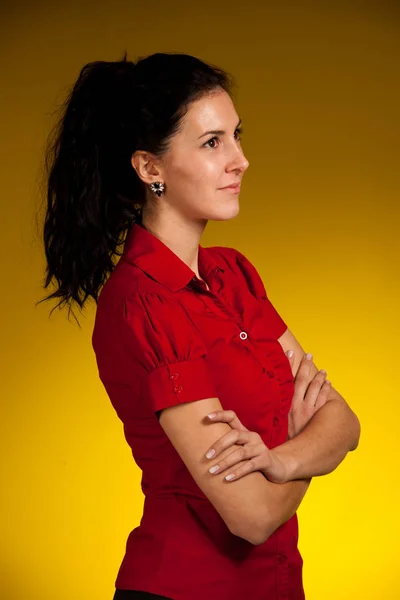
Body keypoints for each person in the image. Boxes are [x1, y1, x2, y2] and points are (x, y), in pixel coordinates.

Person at [39, 52, 361, 600]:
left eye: (236, 136)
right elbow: (253, 516)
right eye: (213, 143)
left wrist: (278, 460)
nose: (241, 160)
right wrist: (309, 451)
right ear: (150, 168)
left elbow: (346, 422)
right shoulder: (143, 304)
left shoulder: (233, 274)